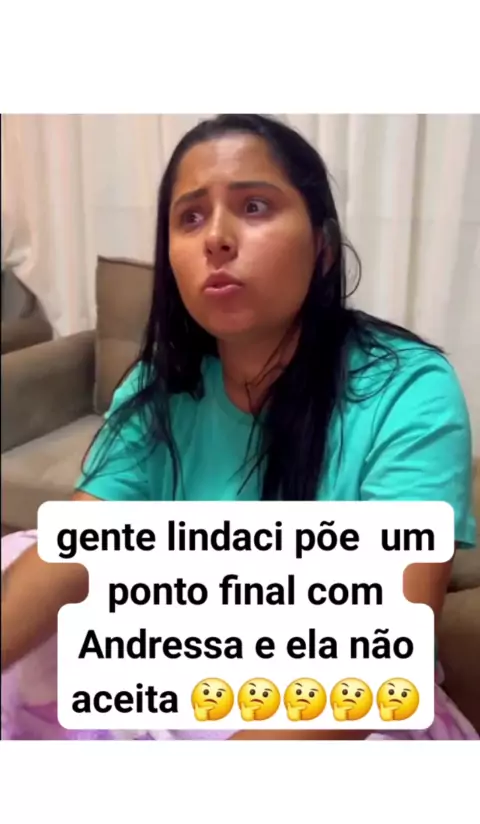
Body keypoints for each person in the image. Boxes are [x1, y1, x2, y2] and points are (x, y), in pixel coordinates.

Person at [1, 114, 477, 741]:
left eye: (254, 206)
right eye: (190, 217)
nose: (217, 239)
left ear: (323, 248)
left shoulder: (408, 388)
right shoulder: (156, 389)